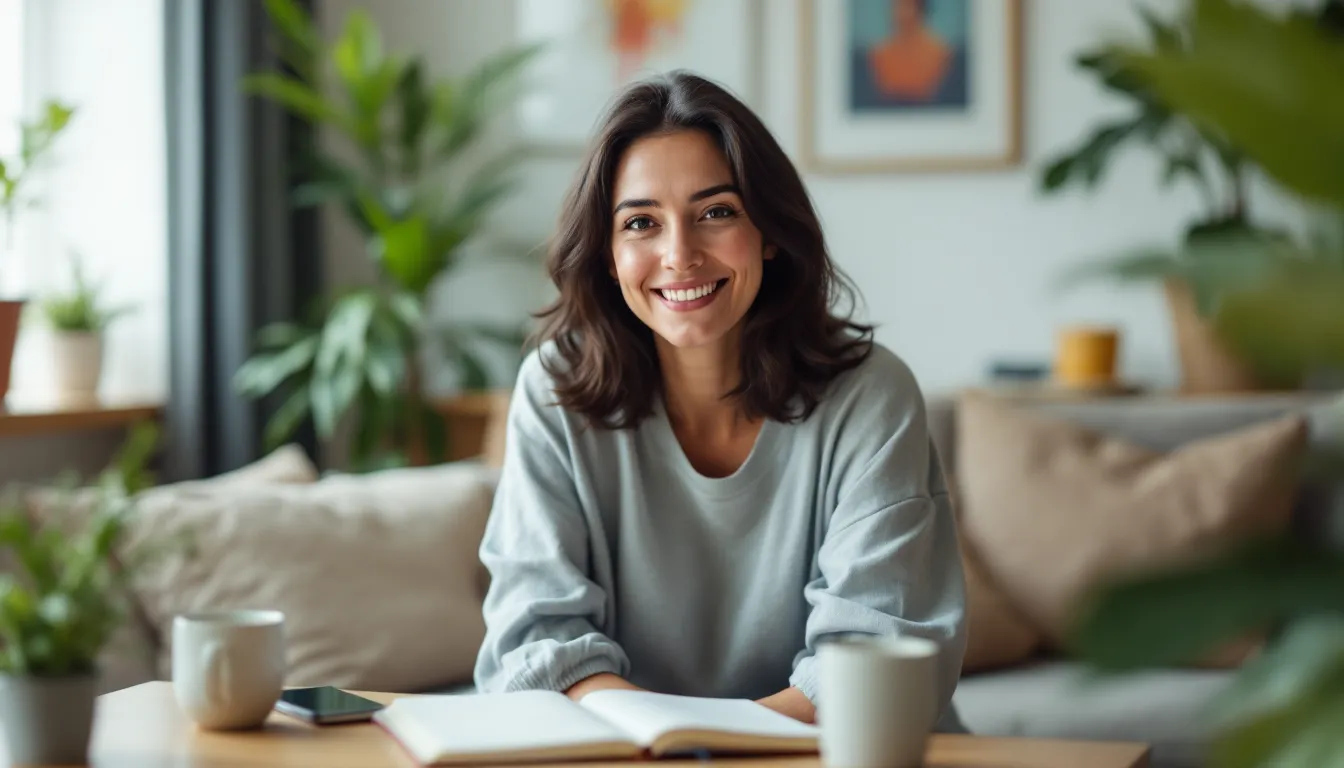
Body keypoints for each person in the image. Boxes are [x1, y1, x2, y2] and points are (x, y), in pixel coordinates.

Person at [473, 70, 967, 730]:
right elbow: (537, 646)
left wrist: (705, 747)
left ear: (767, 229)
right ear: (608, 253)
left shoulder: (872, 396)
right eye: (641, 223)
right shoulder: (554, 391)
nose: (680, 254)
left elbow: (875, 661)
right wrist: (679, 745)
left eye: (716, 213)